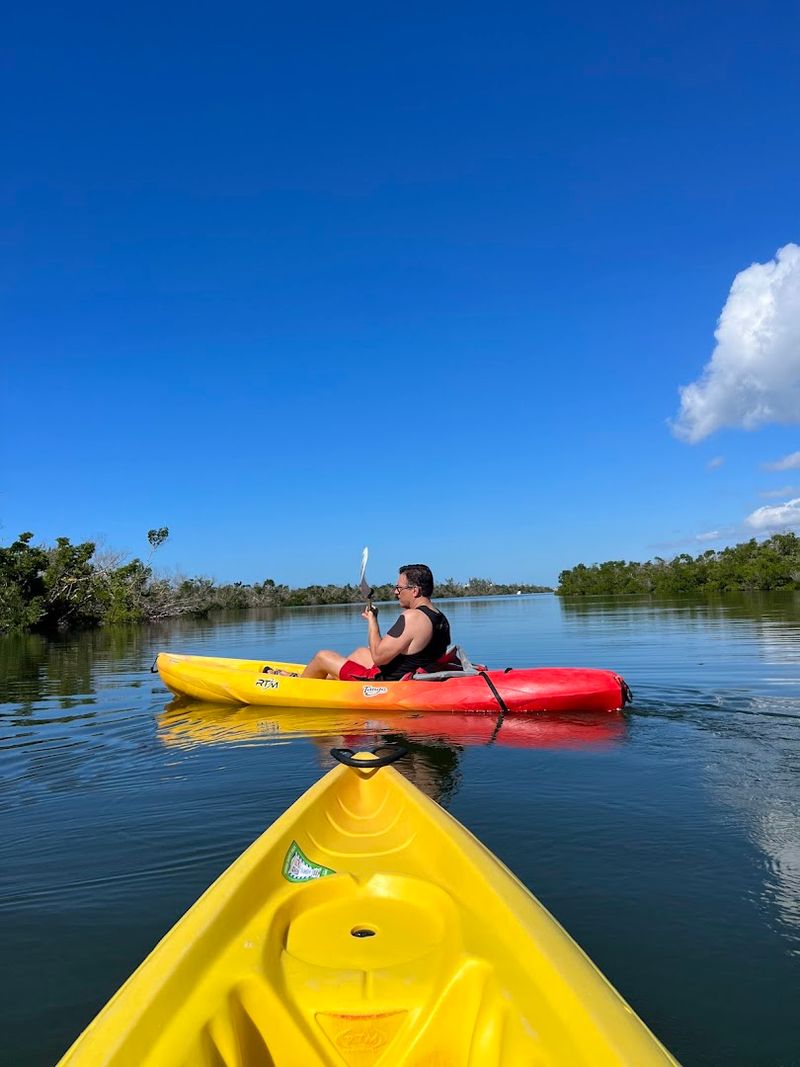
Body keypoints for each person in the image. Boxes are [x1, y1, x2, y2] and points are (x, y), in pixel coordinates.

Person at [301, 563, 451, 681]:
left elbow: (379, 657)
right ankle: (325, 678)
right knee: (361, 653)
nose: (395, 592)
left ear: (415, 591)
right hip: (412, 673)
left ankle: (300, 685)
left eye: (399, 588)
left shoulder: (412, 617)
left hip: (384, 683)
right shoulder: (439, 617)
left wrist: (372, 621)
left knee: (323, 656)